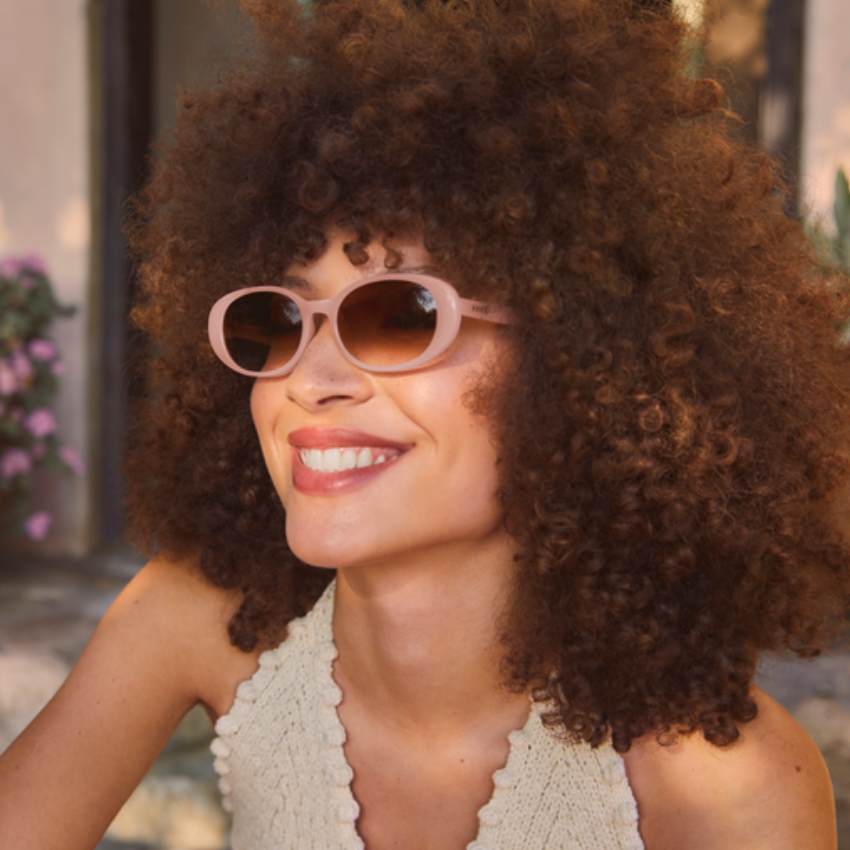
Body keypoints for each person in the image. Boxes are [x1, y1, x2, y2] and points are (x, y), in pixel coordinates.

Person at [2, 0, 849, 847]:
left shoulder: (729, 788)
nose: (312, 379)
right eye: (280, 322)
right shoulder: (199, 621)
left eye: (400, 316)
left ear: (583, 361)